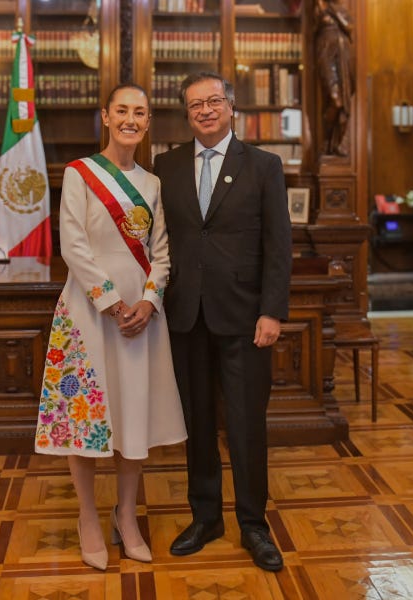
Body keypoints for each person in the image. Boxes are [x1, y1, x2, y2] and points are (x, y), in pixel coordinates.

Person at [34, 84, 187, 571]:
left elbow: (161, 251)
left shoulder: (153, 183)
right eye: (122, 110)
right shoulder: (79, 174)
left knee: (132, 414)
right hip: (89, 313)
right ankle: (87, 517)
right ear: (106, 116)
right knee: (86, 418)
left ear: (147, 122)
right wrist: (110, 301)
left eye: (139, 112)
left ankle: (126, 514)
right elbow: (71, 244)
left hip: (140, 318)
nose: (130, 119)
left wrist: (148, 299)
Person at [152, 72, 292, 572]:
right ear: (186, 114)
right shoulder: (163, 166)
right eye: (195, 105)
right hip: (186, 316)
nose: (205, 111)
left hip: (246, 318)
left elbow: (279, 245)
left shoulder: (263, 166)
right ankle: (205, 517)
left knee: (246, 425)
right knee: (197, 423)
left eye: (214, 101)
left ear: (232, 107)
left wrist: (272, 310)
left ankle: (254, 525)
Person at [315, 0, 356, 157]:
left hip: (342, 53)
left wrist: (332, 11)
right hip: (326, 51)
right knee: (335, 100)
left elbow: (348, 26)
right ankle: (326, 141)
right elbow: (314, 26)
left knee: (342, 103)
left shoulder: (340, 10)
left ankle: (335, 144)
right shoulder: (319, 9)